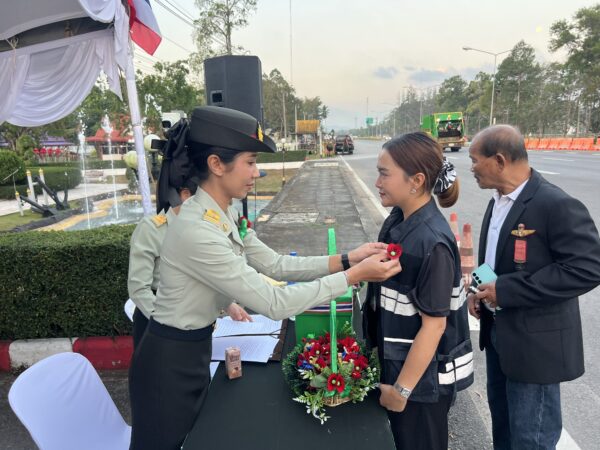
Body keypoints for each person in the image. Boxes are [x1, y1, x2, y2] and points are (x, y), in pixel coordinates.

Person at [128, 106, 402, 450]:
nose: (257, 172)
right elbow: (275, 302)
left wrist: (347, 259)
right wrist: (351, 277)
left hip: (193, 350)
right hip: (168, 363)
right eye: (250, 161)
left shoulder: (222, 212)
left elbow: (274, 265)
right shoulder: (198, 230)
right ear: (216, 164)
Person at [467, 125, 600, 449]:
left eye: (475, 160)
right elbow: (496, 259)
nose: (471, 168)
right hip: (499, 336)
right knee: (504, 430)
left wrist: (505, 291)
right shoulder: (498, 200)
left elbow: (588, 267)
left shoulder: (554, 204)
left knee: (531, 439)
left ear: (499, 160)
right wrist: (478, 289)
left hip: (534, 348)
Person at [363, 132, 474, 450]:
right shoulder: (400, 221)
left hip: (421, 385)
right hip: (401, 368)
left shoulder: (431, 241)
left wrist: (402, 391)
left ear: (416, 181)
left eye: (384, 174)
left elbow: (435, 326)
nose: (377, 182)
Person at [127, 178, 250, 348]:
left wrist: (227, 304)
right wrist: (168, 324)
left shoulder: (205, 228)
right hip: (157, 324)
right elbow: (138, 288)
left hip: (195, 324)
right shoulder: (152, 229)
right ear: (186, 195)